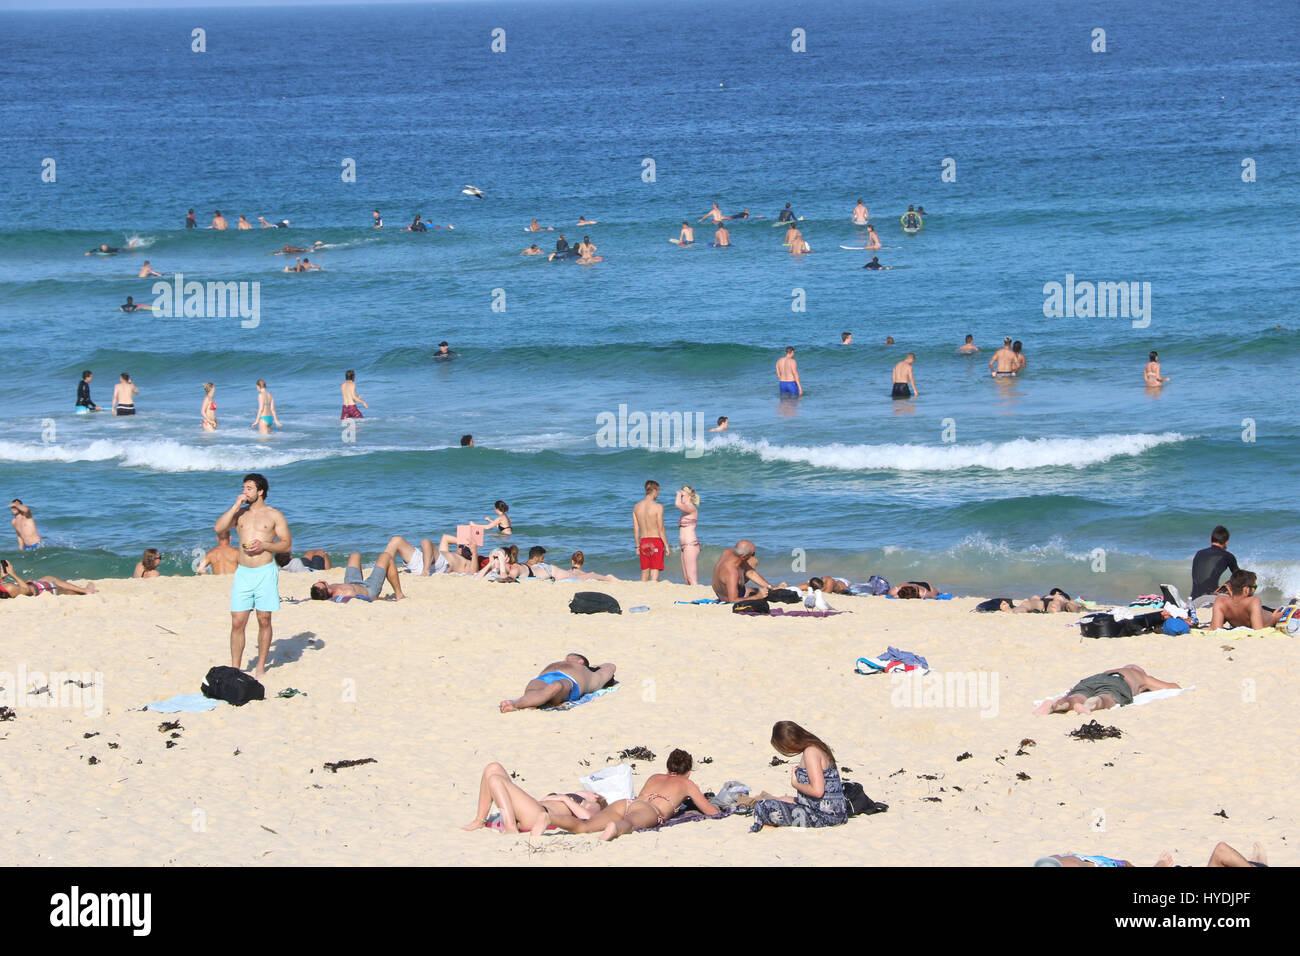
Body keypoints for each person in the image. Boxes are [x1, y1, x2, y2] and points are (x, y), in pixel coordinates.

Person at [214, 473, 291, 681]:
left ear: (260, 491)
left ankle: (260, 666)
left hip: (265, 570)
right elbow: (218, 528)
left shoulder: (274, 515)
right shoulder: (240, 514)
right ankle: (235, 668)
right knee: (238, 621)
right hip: (243, 572)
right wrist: (234, 506)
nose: (245, 491)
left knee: (264, 619)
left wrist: (265, 545)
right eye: (244, 487)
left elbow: (286, 544)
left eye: (249, 488)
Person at [551, 749, 718, 841]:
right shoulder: (687, 784)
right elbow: (712, 812)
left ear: (668, 768)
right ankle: (615, 828)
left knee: (586, 826)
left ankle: (549, 819)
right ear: (688, 772)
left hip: (626, 802)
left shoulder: (655, 777)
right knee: (628, 823)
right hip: (649, 810)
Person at [747, 721, 848, 832]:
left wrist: (795, 784)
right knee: (782, 799)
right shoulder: (818, 747)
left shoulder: (811, 752)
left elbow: (818, 791)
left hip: (825, 816)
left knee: (762, 805)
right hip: (831, 812)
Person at [462, 762, 608, 835]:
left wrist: (566, 798)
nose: (584, 790)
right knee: (492, 768)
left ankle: (510, 827)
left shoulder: (591, 802)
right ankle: (479, 820)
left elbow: (588, 818)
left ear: (595, 795)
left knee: (495, 779)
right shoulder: (565, 798)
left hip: (538, 814)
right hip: (531, 809)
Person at [1035, 664, 1180, 715]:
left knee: (1077, 696)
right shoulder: (1140, 676)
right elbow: (1173, 687)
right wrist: (1147, 681)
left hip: (1091, 679)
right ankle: (1094, 703)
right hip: (1116, 682)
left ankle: (1058, 704)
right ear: (1136, 669)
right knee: (1108, 697)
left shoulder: (1109, 670)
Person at [499, 653, 616, 713]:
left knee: (557, 686)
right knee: (534, 687)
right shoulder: (578, 666)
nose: (565, 660)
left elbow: (611, 666)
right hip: (543, 678)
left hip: (569, 681)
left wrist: (594, 666)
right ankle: (524, 704)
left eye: (569, 658)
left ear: (581, 661)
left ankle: (516, 704)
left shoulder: (590, 675)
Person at [309, 551, 406, 602]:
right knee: (386, 556)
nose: (320, 579)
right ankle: (399, 594)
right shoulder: (345, 594)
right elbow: (369, 599)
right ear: (328, 590)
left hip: (352, 581)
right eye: (321, 582)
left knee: (355, 555)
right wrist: (385, 600)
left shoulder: (329, 589)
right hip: (369, 589)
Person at [1207, 570, 1284, 630]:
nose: (1255, 590)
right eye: (1255, 587)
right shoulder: (1253, 601)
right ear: (1246, 589)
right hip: (1273, 616)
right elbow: (1258, 631)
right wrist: (1274, 619)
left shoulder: (1220, 601)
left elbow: (1215, 629)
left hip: (1264, 610)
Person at [1190, 525, 1239, 602]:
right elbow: (1240, 578)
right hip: (1210, 599)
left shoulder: (1199, 553)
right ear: (1226, 542)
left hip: (1193, 600)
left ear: (1210, 538)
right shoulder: (1227, 556)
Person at [633, 480, 669, 582]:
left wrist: (637, 546)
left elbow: (636, 529)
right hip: (656, 541)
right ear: (654, 490)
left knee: (645, 571)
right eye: (658, 491)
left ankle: (642, 591)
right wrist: (666, 546)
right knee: (654, 570)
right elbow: (661, 528)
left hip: (643, 542)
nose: (658, 494)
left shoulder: (636, 507)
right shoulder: (658, 507)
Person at [0, 560, 97, 598]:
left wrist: (2, 577)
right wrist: (13, 574)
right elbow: (26, 590)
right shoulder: (9, 588)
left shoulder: (5, 589)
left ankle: (83, 590)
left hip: (37, 586)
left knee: (48, 578)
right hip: (43, 589)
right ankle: (85, 591)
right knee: (65, 590)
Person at [676, 486, 701, 586]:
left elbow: (677, 504)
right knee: (687, 579)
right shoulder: (685, 511)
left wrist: (677, 494)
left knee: (692, 579)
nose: (681, 497)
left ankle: (698, 597)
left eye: (683, 495)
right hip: (684, 547)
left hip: (691, 545)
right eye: (681, 496)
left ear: (690, 497)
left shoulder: (691, 508)